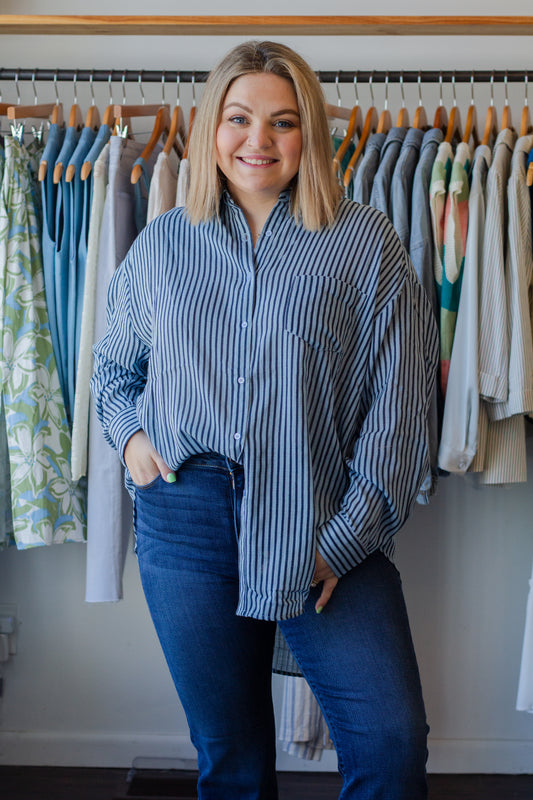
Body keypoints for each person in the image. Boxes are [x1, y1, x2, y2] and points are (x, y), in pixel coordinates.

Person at [91, 40, 438, 800]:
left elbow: (401, 409)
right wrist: (135, 441)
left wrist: (340, 544)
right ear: (211, 124)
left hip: (321, 517)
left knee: (389, 743)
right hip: (185, 522)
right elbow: (113, 371)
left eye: (282, 122)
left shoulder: (364, 243)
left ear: (309, 133)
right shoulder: (162, 245)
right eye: (239, 118)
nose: (258, 141)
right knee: (231, 758)